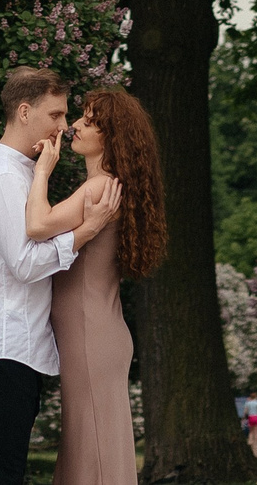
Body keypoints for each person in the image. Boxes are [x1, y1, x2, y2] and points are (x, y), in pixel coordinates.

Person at [0, 69, 123, 485]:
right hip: (5, 346)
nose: (63, 126)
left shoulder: (22, 172)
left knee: (6, 472)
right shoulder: (3, 176)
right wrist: (86, 231)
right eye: (55, 114)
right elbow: (24, 262)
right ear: (23, 112)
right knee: (2, 475)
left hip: (18, 347)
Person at [27, 87, 157, 485]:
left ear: (111, 135)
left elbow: (36, 226)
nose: (76, 126)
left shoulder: (98, 188)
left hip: (89, 333)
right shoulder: (105, 186)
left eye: (89, 120)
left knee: (91, 449)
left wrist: (42, 172)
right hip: (97, 331)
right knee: (93, 446)